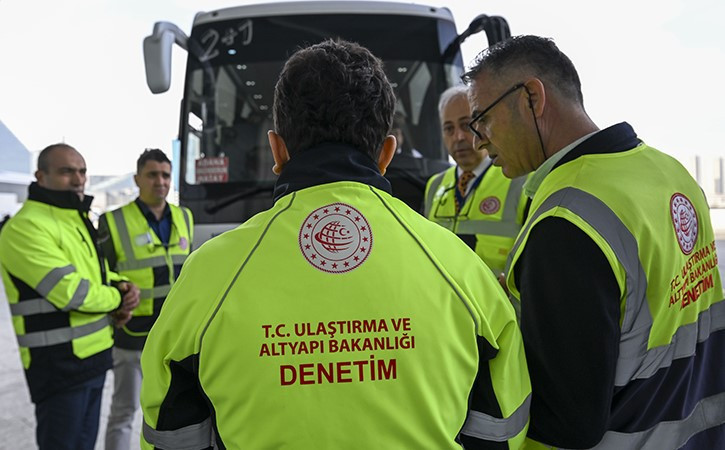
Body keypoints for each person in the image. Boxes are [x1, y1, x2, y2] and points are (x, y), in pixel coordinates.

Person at [140, 39, 530, 449]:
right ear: (386, 153)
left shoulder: (208, 274)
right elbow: (504, 426)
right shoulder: (460, 268)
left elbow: (170, 431)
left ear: (277, 149)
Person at [464, 35, 725, 448]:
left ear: (532, 97)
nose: (478, 140)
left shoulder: (568, 218)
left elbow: (568, 421)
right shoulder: (668, 171)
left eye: (482, 119)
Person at [0, 143, 139, 450]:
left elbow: (95, 276)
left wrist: (123, 285)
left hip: (93, 357)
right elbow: (72, 293)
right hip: (58, 365)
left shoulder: (74, 219)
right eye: (66, 171)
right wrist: (118, 298)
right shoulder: (26, 227)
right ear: (40, 175)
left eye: (82, 171)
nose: (78, 179)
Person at [99, 149, 193, 450]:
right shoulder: (113, 221)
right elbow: (101, 274)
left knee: (178, 413)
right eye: (152, 174)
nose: (160, 182)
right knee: (124, 411)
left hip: (176, 336)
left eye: (166, 175)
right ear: (137, 178)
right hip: (133, 335)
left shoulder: (185, 217)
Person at [424, 85, 529, 275]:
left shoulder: (519, 180)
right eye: (449, 128)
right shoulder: (434, 186)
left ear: (483, 124)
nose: (458, 137)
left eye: (466, 125)